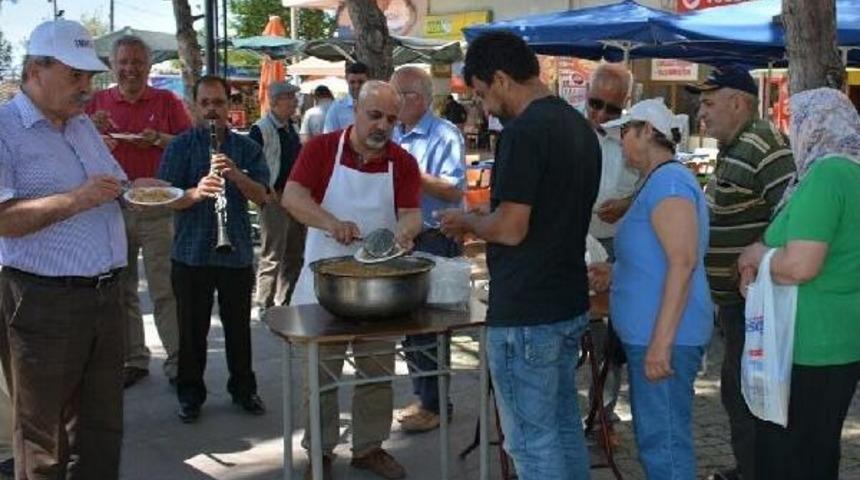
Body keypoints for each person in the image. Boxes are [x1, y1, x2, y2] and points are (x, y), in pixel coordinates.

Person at [437, 32, 601, 480]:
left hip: (527, 313)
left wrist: (469, 222)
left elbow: (510, 228)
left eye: (483, 94)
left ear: (503, 79)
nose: (485, 107)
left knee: (531, 442)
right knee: (563, 427)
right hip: (566, 303)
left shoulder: (524, 133)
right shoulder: (579, 127)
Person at [0, 19, 138, 479]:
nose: (86, 88)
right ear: (35, 70)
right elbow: (3, 219)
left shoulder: (81, 126)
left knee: (102, 427)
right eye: (74, 75)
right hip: (43, 300)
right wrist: (76, 199)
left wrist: (149, 190)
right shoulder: (5, 129)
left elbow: (116, 186)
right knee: (43, 434)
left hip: (105, 294)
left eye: (89, 77)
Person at [283, 80, 421, 480]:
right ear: (356, 111)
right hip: (323, 283)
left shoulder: (402, 162)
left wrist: (406, 231)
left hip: (378, 286)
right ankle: (320, 451)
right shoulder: (321, 149)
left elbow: (411, 211)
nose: (383, 125)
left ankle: (369, 447)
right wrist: (331, 223)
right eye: (375, 115)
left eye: (391, 119)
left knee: (377, 371)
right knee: (319, 377)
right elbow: (293, 198)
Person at [736, 88, 860, 480]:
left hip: (808, 343)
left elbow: (802, 265)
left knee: (787, 455)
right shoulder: (851, 171)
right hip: (835, 339)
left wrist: (758, 258)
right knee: (817, 449)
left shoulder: (827, 175)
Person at [590, 98, 714, 478]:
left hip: (666, 337)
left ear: (647, 132)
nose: (620, 141)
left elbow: (683, 260)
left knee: (665, 444)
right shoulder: (660, 181)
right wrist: (616, 271)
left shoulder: (670, 182)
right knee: (660, 439)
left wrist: (661, 343)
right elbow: (662, 256)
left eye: (625, 132)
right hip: (657, 334)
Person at [687, 65, 796, 480]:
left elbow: (792, 210)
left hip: (757, 306)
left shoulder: (763, 144)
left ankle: (757, 472)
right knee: (739, 393)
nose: (702, 114)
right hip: (737, 305)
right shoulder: (736, 146)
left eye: (710, 103)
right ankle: (750, 468)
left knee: (746, 393)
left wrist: (763, 251)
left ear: (739, 103)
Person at [158, 75, 270, 424]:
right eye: (204, 103)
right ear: (194, 107)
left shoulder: (246, 148)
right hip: (191, 254)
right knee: (191, 331)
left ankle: (243, 389)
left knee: (238, 328)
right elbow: (166, 198)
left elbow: (263, 195)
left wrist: (236, 176)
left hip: (234, 252)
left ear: (229, 106)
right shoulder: (180, 146)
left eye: (218, 103)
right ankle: (190, 394)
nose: (211, 110)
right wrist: (194, 193)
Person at [86, 34, 192, 389]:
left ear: (148, 66)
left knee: (166, 289)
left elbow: (189, 144)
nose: (130, 69)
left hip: (159, 208)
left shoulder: (166, 101)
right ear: (113, 66)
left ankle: (178, 361)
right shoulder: (96, 104)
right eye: (124, 63)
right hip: (114, 208)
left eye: (137, 62)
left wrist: (160, 139)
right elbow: (71, 148)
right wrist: (90, 131)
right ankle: (134, 358)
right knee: (123, 290)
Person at [390, 66, 466, 433]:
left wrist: (408, 170)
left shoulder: (444, 134)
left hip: (435, 237)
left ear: (418, 98)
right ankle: (423, 396)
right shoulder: (394, 131)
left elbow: (454, 189)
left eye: (400, 94)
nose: (394, 102)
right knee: (410, 327)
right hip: (402, 238)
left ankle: (437, 405)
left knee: (431, 329)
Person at [582, 62, 640, 440]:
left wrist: (628, 202)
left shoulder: (636, 136)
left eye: (612, 109)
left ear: (628, 105)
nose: (601, 114)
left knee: (610, 336)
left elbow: (655, 180)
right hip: (575, 239)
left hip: (616, 242)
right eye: (595, 104)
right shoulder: (568, 129)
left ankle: (602, 414)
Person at [248, 82, 306, 312]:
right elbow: (251, 162)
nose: (294, 102)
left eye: (294, 97)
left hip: (293, 197)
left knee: (294, 252)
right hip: (274, 197)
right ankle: (264, 302)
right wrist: (264, 190)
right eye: (290, 97)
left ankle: (286, 300)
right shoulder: (261, 129)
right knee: (272, 253)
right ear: (275, 101)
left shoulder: (290, 127)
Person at [322, 62, 369, 133]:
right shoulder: (337, 108)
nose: (356, 86)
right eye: (352, 82)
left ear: (368, 81)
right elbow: (328, 136)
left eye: (361, 82)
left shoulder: (378, 105)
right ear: (347, 81)